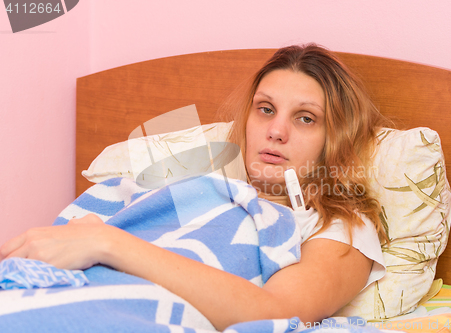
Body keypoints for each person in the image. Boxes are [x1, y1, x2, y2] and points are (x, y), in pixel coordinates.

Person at [0, 44, 388, 331]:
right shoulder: (194, 185)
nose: (276, 131)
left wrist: (106, 243)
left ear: (335, 137)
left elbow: (276, 312)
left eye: (305, 118)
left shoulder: (336, 225)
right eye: (265, 109)